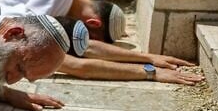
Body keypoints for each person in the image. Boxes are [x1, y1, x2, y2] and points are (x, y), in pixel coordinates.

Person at [55, 17, 204, 85]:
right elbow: (79, 67)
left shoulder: (40, 23)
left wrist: (148, 58)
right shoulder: (35, 41)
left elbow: (88, 47)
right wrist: (151, 72)